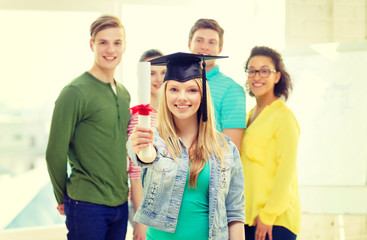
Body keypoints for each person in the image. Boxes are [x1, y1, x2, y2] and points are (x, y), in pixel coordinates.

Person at [127, 52, 245, 240]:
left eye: (192, 90)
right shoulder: (153, 141)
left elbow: (235, 214)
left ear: (203, 95)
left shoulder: (226, 149)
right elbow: (145, 157)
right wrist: (141, 149)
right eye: (174, 89)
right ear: (164, 93)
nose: (182, 97)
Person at [45, 15, 130, 240]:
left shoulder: (123, 93)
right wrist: (61, 197)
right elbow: (54, 152)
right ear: (91, 45)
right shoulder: (74, 92)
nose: (110, 49)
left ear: (124, 46)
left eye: (117, 43)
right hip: (86, 204)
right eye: (103, 42)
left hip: (120, 204)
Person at [241, 46, 301, 240]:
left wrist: (268, 215)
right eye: (252, 70)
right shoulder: (249, 115)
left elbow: (286, 172)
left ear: (276, 77)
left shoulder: (284, 117)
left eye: (264, 70)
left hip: (274, 222)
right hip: (249, 219)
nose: (257, 76)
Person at [188, 18, 246, 151]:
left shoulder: (232, 90)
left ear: (220, 49)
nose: (204, 47)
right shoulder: (176, 84)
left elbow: (232, 150)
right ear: (189, 44)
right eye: (199, 40)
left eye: (211, 42)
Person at [127, 49, 165, 240]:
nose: (158, 79)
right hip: (145, 206)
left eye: (163, 73)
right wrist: (140, 221)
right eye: (151, 73)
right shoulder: (140, 118)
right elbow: (135, 174)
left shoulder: (171, 115)